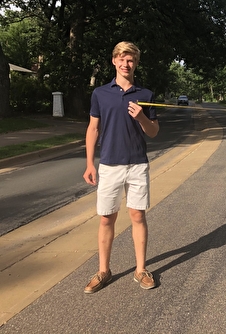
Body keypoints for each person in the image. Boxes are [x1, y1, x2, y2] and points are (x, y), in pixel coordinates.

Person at [83, 41, 160, 293]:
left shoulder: (146, 95)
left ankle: (140, 270)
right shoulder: (100, 94)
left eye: (131, 60)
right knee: (107, 218)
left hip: (137, 163)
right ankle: (103, 271)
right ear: (114, 61)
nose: (126, 64)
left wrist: (141, 117)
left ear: (135, 63)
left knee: (138, 216)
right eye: (122, 59)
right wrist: (89, 164)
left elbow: (153, 132)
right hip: (109, 164)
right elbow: (93, 128)